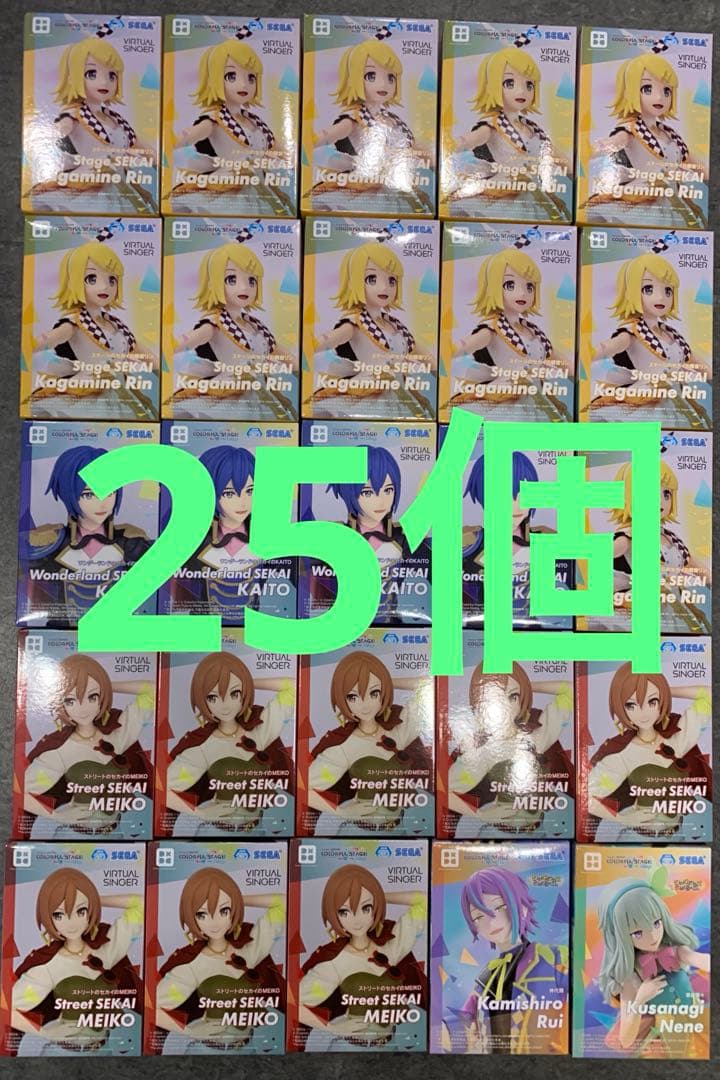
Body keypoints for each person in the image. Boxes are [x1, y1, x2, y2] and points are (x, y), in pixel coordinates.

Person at [11, 868, 142, 1054]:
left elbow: (141, 904)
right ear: (49, 917)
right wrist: (46, 1033)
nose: (71, 923)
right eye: (59, 915)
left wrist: (94, 899)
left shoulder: (106, 948)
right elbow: (7, 1009)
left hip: (106, 1048)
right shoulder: (48, 966)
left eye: (80, 911)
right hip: (62, 1053)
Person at [155, 867, 285, 1052]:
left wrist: (235, 899)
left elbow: (283, 902)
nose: (214, 922)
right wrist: (190, 1032)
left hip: (250, 1046)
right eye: (202, 914)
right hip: (207, 1050)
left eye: (223, 910)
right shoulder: (190, 964)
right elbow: (152, 1008)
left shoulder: (249, 947)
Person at [23, 653, 153, 838]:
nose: (82, 708)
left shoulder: (116, 735)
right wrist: (59, 817)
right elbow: (21, 793)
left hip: (116, 832)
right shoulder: (59, 750)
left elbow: (152, 690)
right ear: (62, 704)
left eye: (92, 697)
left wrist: (104, 684)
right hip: (75, 835)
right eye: (71, 700)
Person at [298, 865, 427, 1049]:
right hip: (350, 1047)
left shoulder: (390, 945)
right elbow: (294, 1004)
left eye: (366, 908)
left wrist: (378, 896)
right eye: (344, 911)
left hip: (392, 1043)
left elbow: (423, 900)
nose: (356, 920)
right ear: (334, 914)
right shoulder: (334, 962)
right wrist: (333, 1028)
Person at [166, 651, 294, 834]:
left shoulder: (259, 730)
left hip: (258, 829)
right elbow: (161, 789)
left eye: (234, 693)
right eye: (213, 697)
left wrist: (246, 682)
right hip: (216, 832)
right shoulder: (202, 746)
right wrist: (201, 813)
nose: (224, 705)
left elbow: (293, 687)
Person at [306, 651, 432, 832]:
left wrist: (386, 682)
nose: (365, 705)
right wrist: (342, 812)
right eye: (353, 697)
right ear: (343, 699)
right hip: (359, 830)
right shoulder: (343, 746)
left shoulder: (397, 730)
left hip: (400, 827)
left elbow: (428, 685)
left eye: (374, 693)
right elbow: (303, 788)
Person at [25, 445, 151, 622]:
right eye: (88, 495)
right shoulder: (49, 544)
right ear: (68, 492)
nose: (102, 503)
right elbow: (35, 603)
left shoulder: (132, 543)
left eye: (109, 492)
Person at [587, 663, 711, 839]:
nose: (643, 713)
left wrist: (663, 691)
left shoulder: (676, 738)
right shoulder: (621, 754)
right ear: (621, 707)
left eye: (652, 701)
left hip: (679, 833)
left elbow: (708, 695)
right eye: (631, 705)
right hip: (637, 837)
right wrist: (623, 819)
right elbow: (585, 797)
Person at [448, 661, 573, 835]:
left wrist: (525, 686)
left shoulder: (536, 738)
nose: (505, 706)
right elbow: (443, 791)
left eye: (513, 696)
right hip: (499, 833)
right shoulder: (484, 754)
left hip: (540, 831)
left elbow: (570, 690)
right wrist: (481, 815)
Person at [452, 867, 567, 1053]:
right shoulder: (488, 975)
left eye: (499, 907)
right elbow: (464, 1018)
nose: (490, 922)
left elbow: (582, 1009)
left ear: (522, 908)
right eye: (479, 917)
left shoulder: (554, 958)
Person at [598, 873, 709, 1056]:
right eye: (638, 933)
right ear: (620, 937)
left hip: (697, 1017)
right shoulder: (631, 976)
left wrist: (695, 958)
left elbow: (696, 958)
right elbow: (626, 1040)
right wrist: (640, 999)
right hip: (665, 1032)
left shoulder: (675, 950)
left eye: (656, 923)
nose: (652, 937)